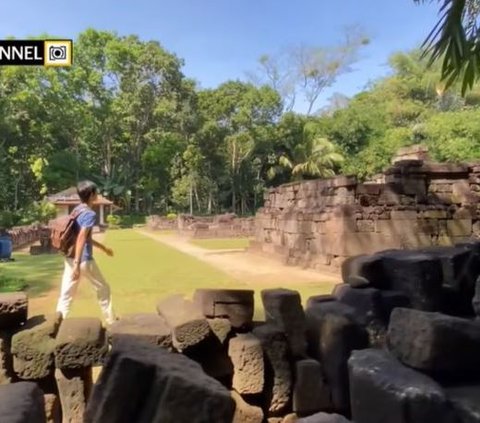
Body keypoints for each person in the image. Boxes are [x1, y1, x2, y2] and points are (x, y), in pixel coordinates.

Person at [56, 180, 116, 325]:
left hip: (70, 258)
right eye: (96, 192)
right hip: (83, 260)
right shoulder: (89, 214)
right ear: (91, 195)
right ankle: (112, 321)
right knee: (103, 288)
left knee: (66, 294)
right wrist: (78, 263)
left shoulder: (77, 210)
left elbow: (84, 238)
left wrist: (103, 248)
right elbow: (82, 237)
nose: (98, 194)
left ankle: (56, 323)